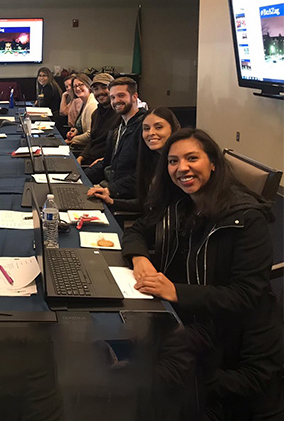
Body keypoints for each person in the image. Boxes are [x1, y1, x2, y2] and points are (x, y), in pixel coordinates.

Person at [121, 128, 283, 419]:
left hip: (224, 343)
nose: (181, 168)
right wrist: (139, 258)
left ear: (213, 164)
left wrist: (175, 291)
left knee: (134, 388)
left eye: (191, 158)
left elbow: (246, 295)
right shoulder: (178, 203)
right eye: (173, 161)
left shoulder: (247, 219)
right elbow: (138, 230)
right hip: (185, 321)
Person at [89, 107, 180, 211]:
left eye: (158, 127)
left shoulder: (177, 166)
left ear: (173, 129)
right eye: (146, 128)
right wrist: (111, 202)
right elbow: (147, 205)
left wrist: (112, 191)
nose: (151, 133)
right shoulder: (152, 159)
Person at [84, 77, 146, 199]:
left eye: (121, 95)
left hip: (124, 196)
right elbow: (107, 163)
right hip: (110, 187)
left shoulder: (144, 127)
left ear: (134, 97)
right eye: (112, 97)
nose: (116, 101)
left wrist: (110, 190)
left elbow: (143, 174)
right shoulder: (118, 130)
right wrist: (79, 177)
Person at [76, 73, 120, 166]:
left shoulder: (120, 115)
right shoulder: (96, 113)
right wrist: (80, 157)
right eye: (96, 89)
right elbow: (92, 140)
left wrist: (103, 160)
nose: (100, 92)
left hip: (105, 164)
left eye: (104, 87)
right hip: (90, 160)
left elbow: (119, 149)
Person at [65, 73, 97, 149]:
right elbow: (81, 126)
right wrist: (74, 132)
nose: (78, 88)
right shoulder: (84, 102)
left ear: (88, 85)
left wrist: (73, 139)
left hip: (86, 148)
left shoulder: (92, 104)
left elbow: (90, 134)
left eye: (80, 85)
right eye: (75, 86)